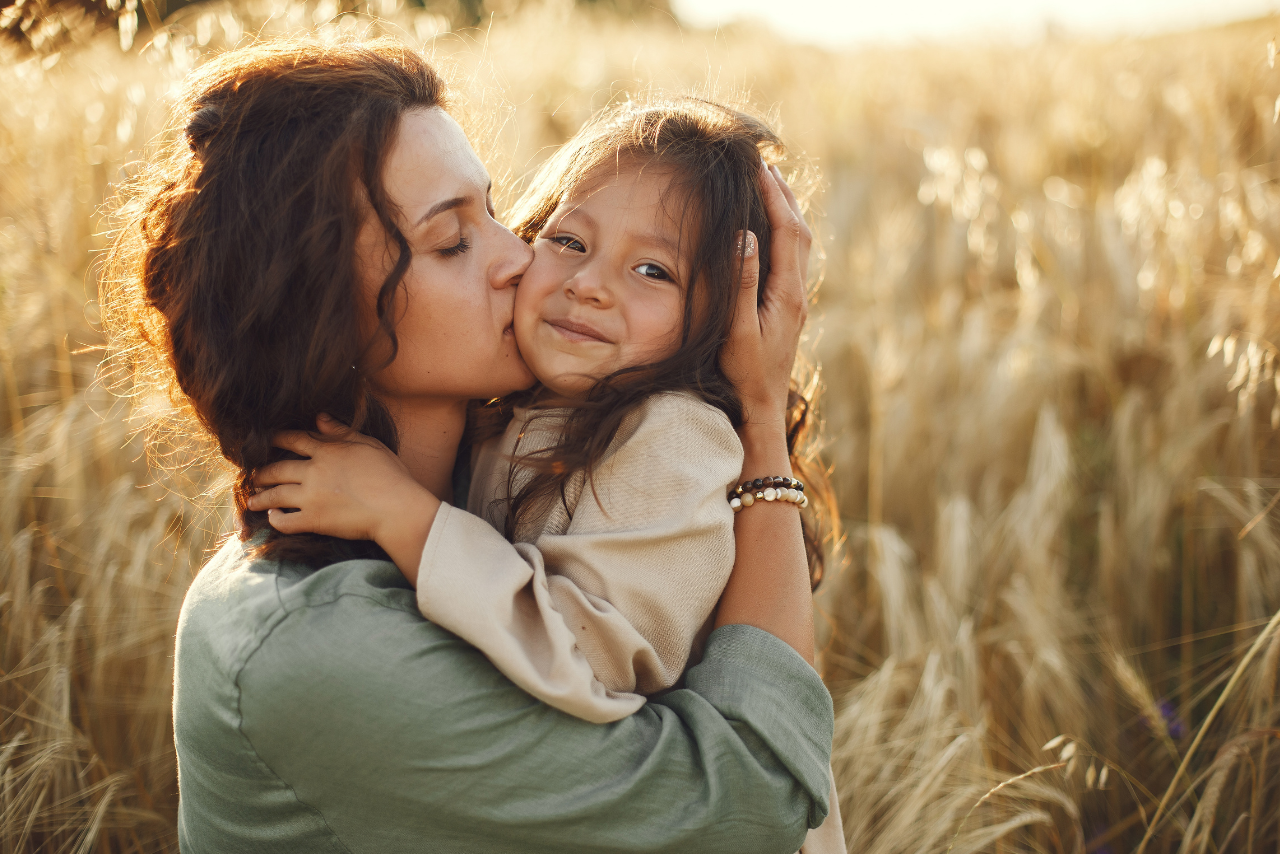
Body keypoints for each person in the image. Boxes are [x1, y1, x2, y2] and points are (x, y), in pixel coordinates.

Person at [102, 37, 831, 853]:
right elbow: (751, 807)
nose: (522, 258)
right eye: (454, 242)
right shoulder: (321, 652)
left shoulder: (621, 448)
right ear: (321, 319)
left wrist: (758, 412)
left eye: (496, 213)